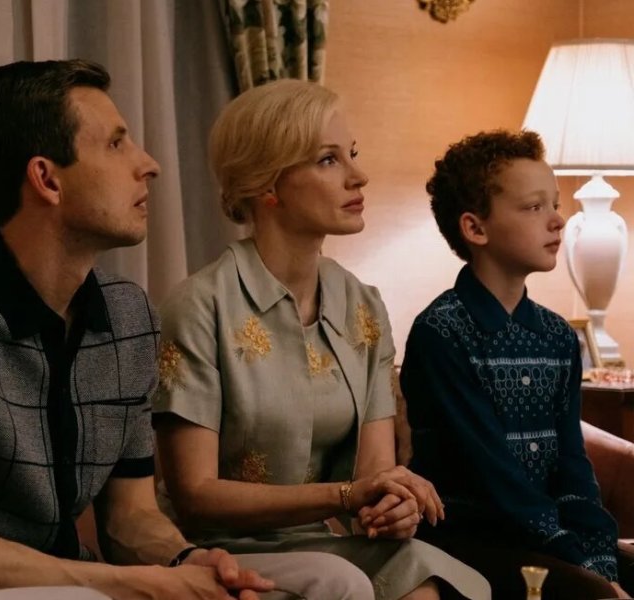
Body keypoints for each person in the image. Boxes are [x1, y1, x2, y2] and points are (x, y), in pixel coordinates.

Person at [0, 59, 372, 600]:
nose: (149, 164)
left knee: (334, 581)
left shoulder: (127, 316)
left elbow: (129, 517)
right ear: (47, 179)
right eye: (116, 144)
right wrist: (140, 584)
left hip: (78, 584)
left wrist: (188, 561)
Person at [152, 79, 491, 600]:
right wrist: (347, 495)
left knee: (432, 575)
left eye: (351, 154)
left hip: (322, 546)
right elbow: (194, 496)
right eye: (328, 160)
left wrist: (390, 506)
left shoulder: (364, 307)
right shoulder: (200, 304)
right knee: (347, 582)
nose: (358, 176)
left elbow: (373, 476)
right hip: (213, 551)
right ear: (268, 184)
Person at [400, 129, 631, 599]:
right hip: (471, 540)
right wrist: (585, 567)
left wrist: (598, 555)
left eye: (555, 204)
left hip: (549, 539)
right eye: (534, 207)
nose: (558, 220)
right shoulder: (441, 333)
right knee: (594, 594)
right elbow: (494, 479)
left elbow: (573, 465)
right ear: (475, 229)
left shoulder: (558, 336)